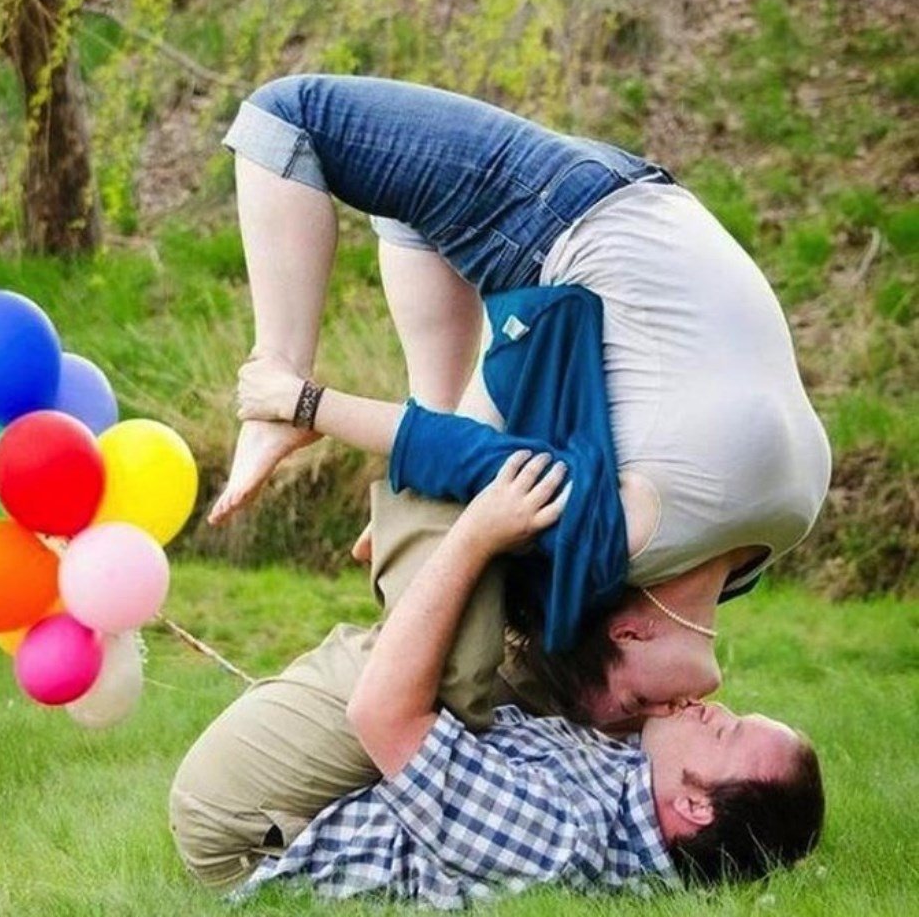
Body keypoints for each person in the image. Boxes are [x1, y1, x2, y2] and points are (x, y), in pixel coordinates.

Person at [206, 74, 831, 709]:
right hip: (583, 214)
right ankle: (321, 421)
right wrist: (321, 412)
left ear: (628, 632)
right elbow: (478, 455)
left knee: (285, 120)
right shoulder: (720, 557)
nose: (677, 713)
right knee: (306, 129)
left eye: (639, 707)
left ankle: (278, 379)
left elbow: (479, 460)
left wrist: (297, 398)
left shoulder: (707, 533)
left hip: (580, 221)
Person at [178, 454, 823, 906]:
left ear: (694, 806)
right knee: (561, 652)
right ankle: (422, 509)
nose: (715, 708)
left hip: (244, 830)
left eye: (727, 732)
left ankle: (421, 502)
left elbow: (383, 715)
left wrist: (472, 534)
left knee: (461, 653)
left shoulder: (558, 838)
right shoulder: (637, 797)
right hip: (303, 790)